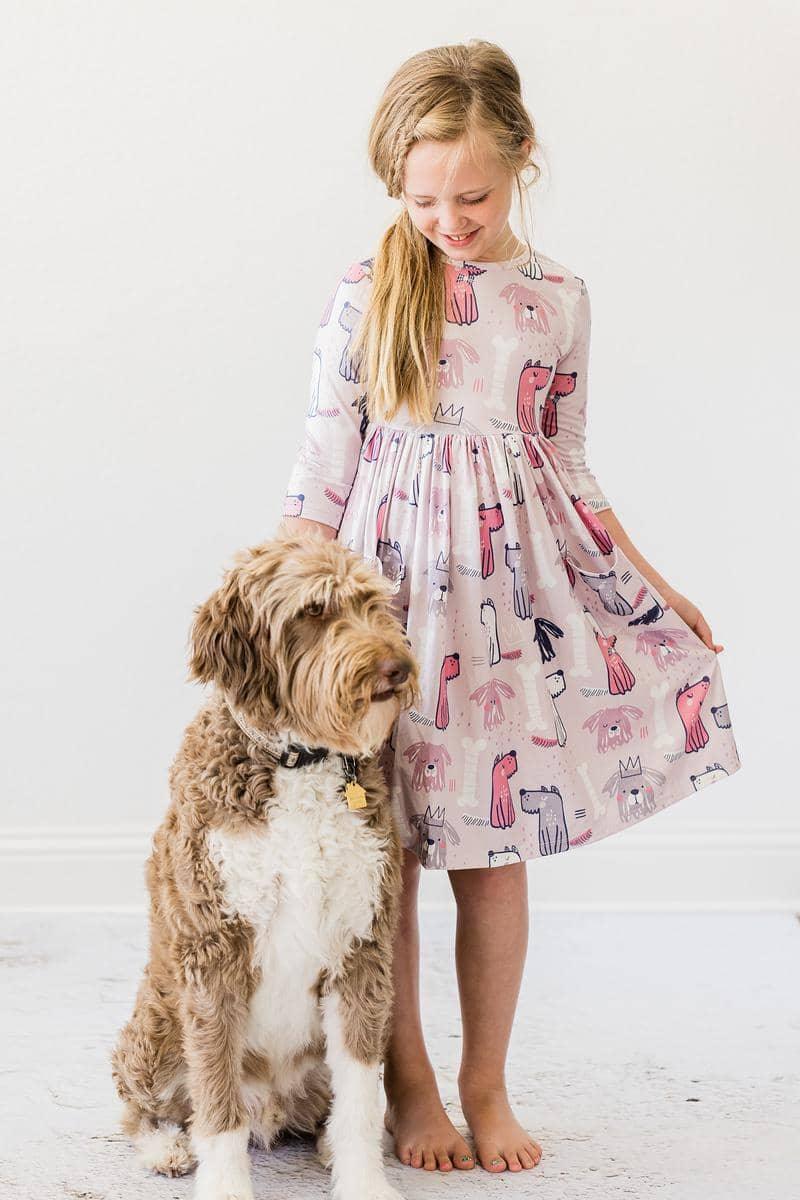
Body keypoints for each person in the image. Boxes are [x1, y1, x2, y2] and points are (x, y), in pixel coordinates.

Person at [279, 39, 741, 1176]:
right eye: (423, 199)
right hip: (385, 617)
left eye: (472, 197)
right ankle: (410, 1085)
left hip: (501, 615)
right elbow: (321, 471)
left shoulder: (557, 300)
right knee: (383, 854)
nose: (449, 219)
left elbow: (569, 462)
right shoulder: (367, 291)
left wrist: (654, 586)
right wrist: (293, 625)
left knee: (492, 857)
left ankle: (485, 1081)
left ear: (522, 159)